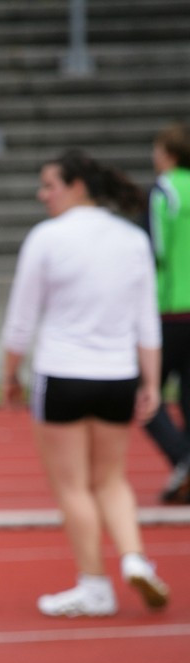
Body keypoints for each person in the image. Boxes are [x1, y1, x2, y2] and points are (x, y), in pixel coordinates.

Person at [1, 148, 170, 617]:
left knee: (73, 486)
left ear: (77, 186)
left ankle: (95, 584)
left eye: (49, 185)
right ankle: (135, 556)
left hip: (64, 375)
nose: (42, 195)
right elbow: (146, 319)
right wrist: (152, 382)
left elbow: (21, 317)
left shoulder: (47, 238)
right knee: (112, 479)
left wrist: (9, 372)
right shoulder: (132, 238)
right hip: (118, 375)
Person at [144, 122, 190, 504]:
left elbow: (156, 249)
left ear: (170, 154)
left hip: (172, 307)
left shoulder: (164, 189)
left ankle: (183, 460)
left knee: (145, 396)